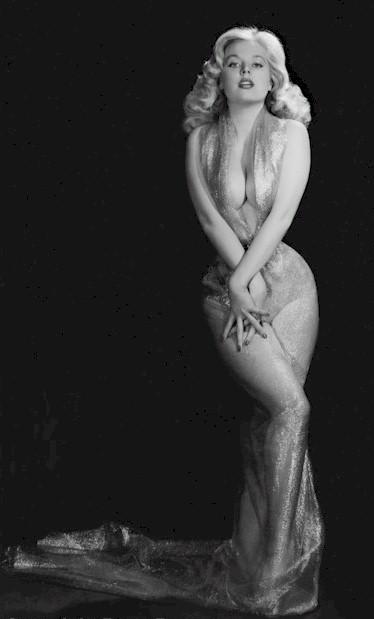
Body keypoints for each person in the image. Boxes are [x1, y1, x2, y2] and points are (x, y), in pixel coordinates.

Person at [1, 26, 324, 617]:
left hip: (290, 286)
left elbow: (281, 216)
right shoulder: (201, 137)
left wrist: (248, 280)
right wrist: (236, 284)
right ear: (218, 75)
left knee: (271, 420)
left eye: (258, 64)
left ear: (273, 76)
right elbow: (209, 218)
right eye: (235, 63)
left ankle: (261, 567)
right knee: (290, 409)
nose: (246, 72)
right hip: (226, 290)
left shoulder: (292, 133)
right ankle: (271, 579)